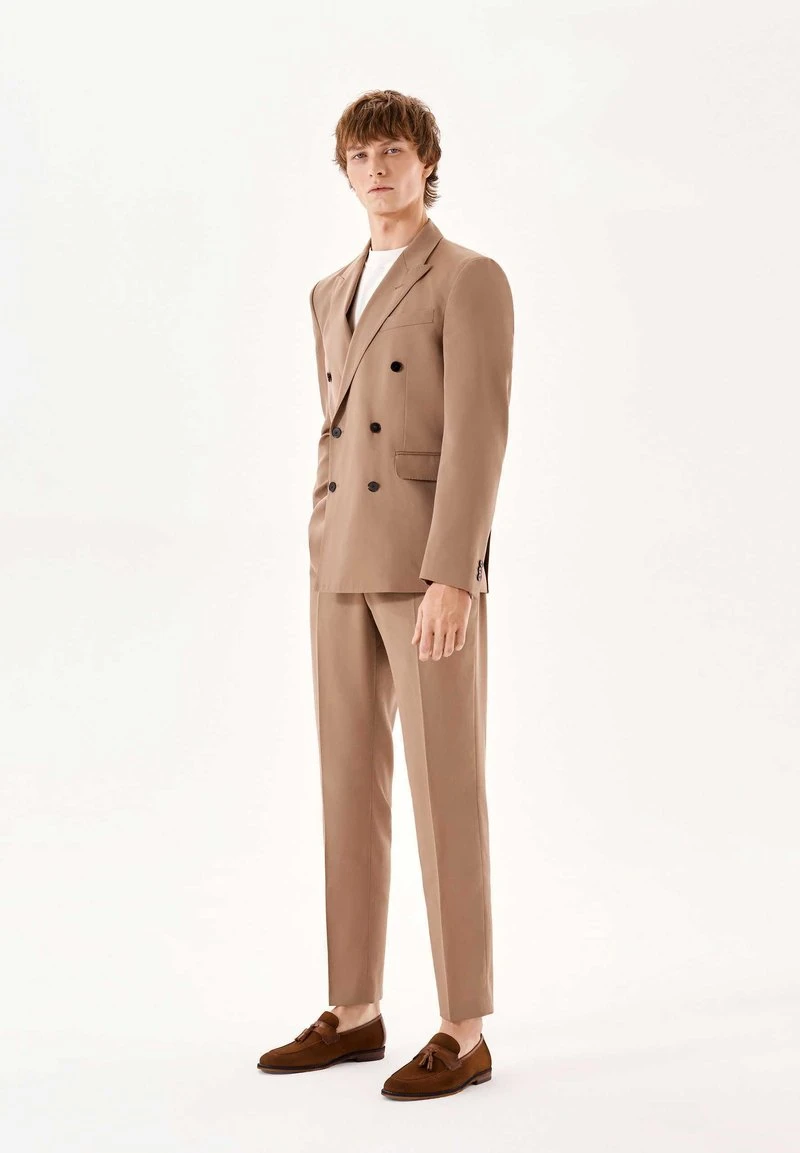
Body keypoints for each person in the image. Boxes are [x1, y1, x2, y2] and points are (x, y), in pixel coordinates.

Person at [257, 89, 514, 1101]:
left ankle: (464, 1025)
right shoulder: (328, 291)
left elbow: (479, 433)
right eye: (360, 155)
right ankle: (355, 1008)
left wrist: (455, 571)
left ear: (427, 163)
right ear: (344, 171)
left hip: (422, 569)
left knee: (446, 791)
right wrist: (317, 539)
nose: (377, 169)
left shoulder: (469, 278)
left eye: (393, 152)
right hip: (337, 564)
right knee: (345, 787)